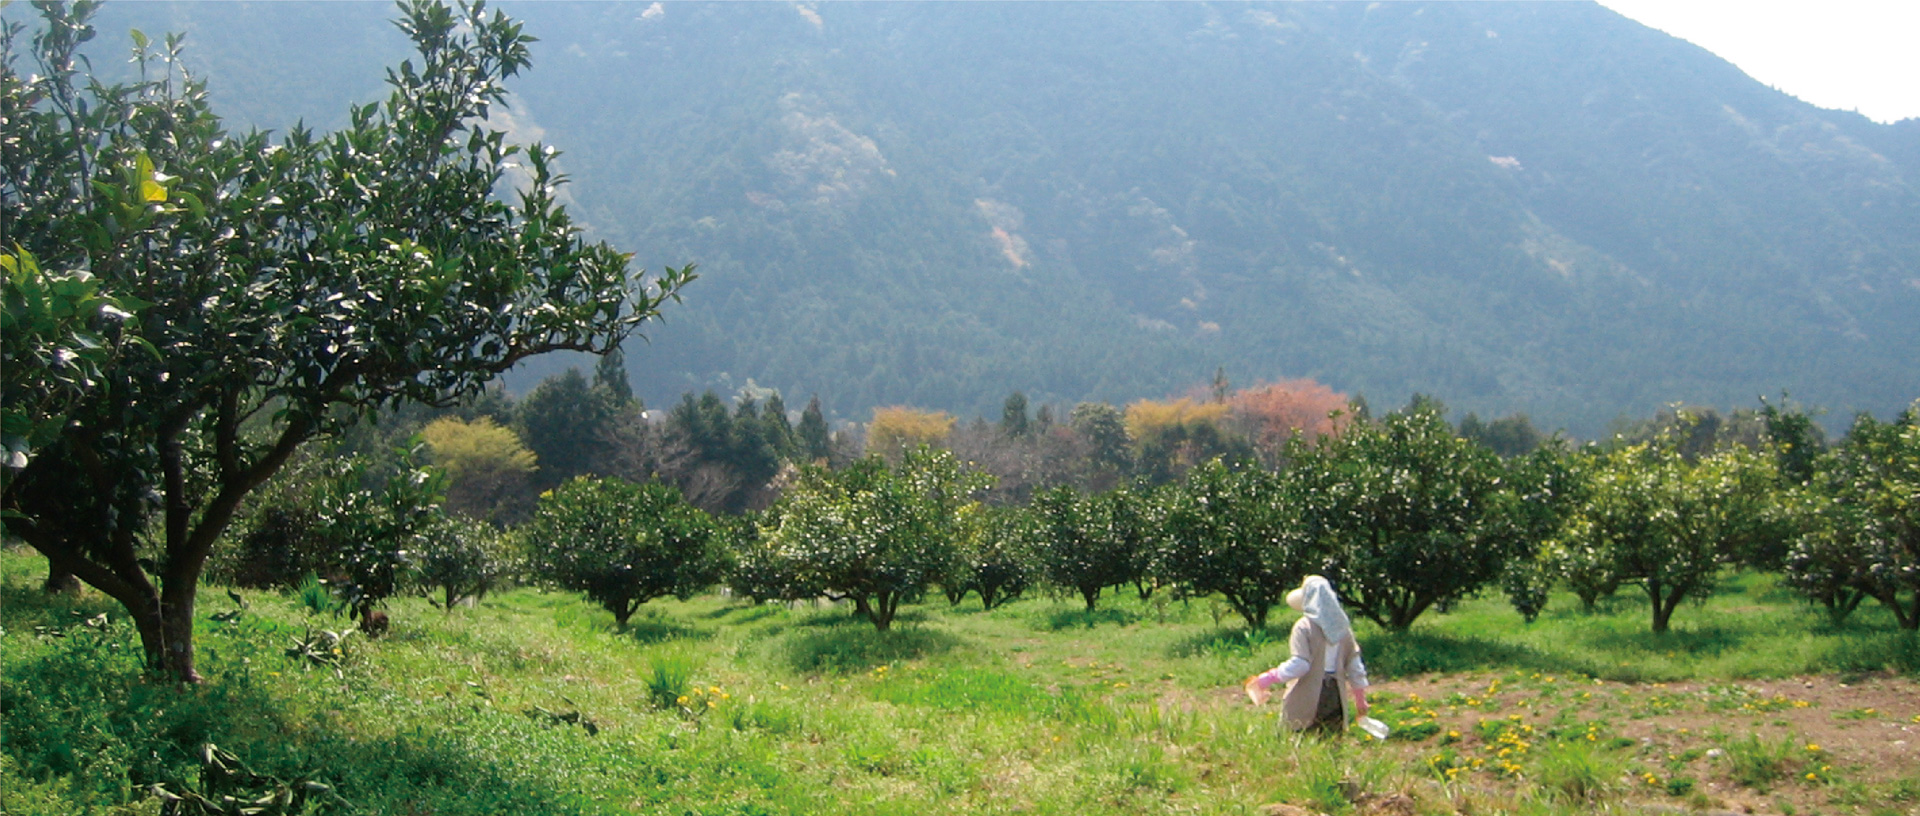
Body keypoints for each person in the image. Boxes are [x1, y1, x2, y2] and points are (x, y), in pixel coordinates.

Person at [1243, 575, 1369, 733]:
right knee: (1331, 742)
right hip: (1335, 693)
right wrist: (1360, 700)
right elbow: (1355, 666)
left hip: (1308, 693)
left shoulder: (1304, 626)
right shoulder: (1343, 629)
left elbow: (1301, 665)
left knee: (1299, 738)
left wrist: (1268, 678)